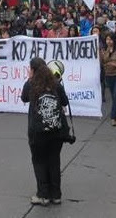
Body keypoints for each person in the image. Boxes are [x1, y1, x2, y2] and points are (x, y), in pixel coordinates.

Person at [20, 57, 69, 206]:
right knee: (54, 161)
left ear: (33, 70)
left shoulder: (31, 84)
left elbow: (24, 98)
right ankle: (56, 195)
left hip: (38, 131)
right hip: (56, 130)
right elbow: (65, 102)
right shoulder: (56, 84)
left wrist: (29, 80)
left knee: (39, 161)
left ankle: (43, 195)